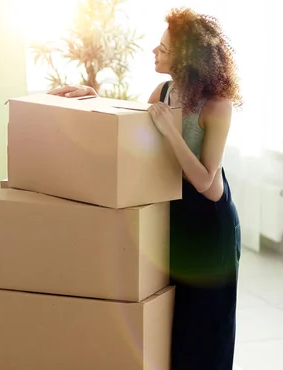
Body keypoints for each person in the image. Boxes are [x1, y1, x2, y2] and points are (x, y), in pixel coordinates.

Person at [49, 7, 242, 370]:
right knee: (178, 321)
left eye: (163, 48)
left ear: (185, 57)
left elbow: (204, 180)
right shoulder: (164, 90)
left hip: (210, 224)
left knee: (208, 328)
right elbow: (132, 128)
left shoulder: (217, 105)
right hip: (176, 214)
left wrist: (171, 130)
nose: (155, 52)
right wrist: (95, 97)